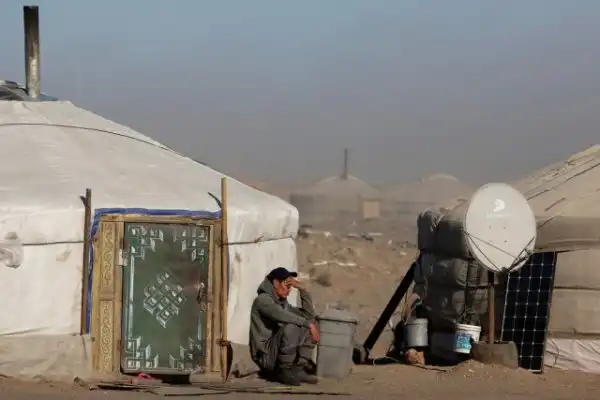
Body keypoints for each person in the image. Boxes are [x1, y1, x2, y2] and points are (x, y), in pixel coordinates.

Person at [249, 267, 320, 386]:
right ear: (276, 283)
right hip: (265, 355)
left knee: (311, 325)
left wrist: (303, 290)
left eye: (291, 286)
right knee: (292, 326)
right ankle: (284, 370)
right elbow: (281, 315)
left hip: (276, 353)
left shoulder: (283, 303)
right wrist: (308, 324)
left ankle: (298, 368)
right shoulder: (263, 300)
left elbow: (309, 317)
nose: (289, 289)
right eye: (287, 285)